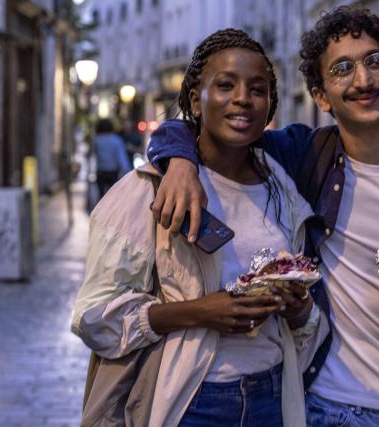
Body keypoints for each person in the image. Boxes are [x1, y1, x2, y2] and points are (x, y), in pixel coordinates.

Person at [147, 7, 379, 427]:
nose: (364, 80)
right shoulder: (304, 156)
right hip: (330, 405)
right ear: (320, 95)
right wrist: (181, 161)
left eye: (375, 61)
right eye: (342, 69)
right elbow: (211, 127)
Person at [72, 29, 328, 426]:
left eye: (257, 89)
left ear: (270, 105)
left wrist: (298, 309)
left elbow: (299, 328)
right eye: (225, 85)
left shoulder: (283, 188)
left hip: (272, 398)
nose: (242, 97)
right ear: (196, 99)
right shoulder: (150, 189)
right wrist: (198, 312)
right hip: (192, 401)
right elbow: (94, 317)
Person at [92, 118, 132, 197]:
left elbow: (94, 156)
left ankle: (101, 209)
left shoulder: (97, 140)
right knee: (112, 196)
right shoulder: (116, 140)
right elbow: (121, 158)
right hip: (113, 172)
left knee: (101, 196)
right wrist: (127, 172)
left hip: (100, 171)